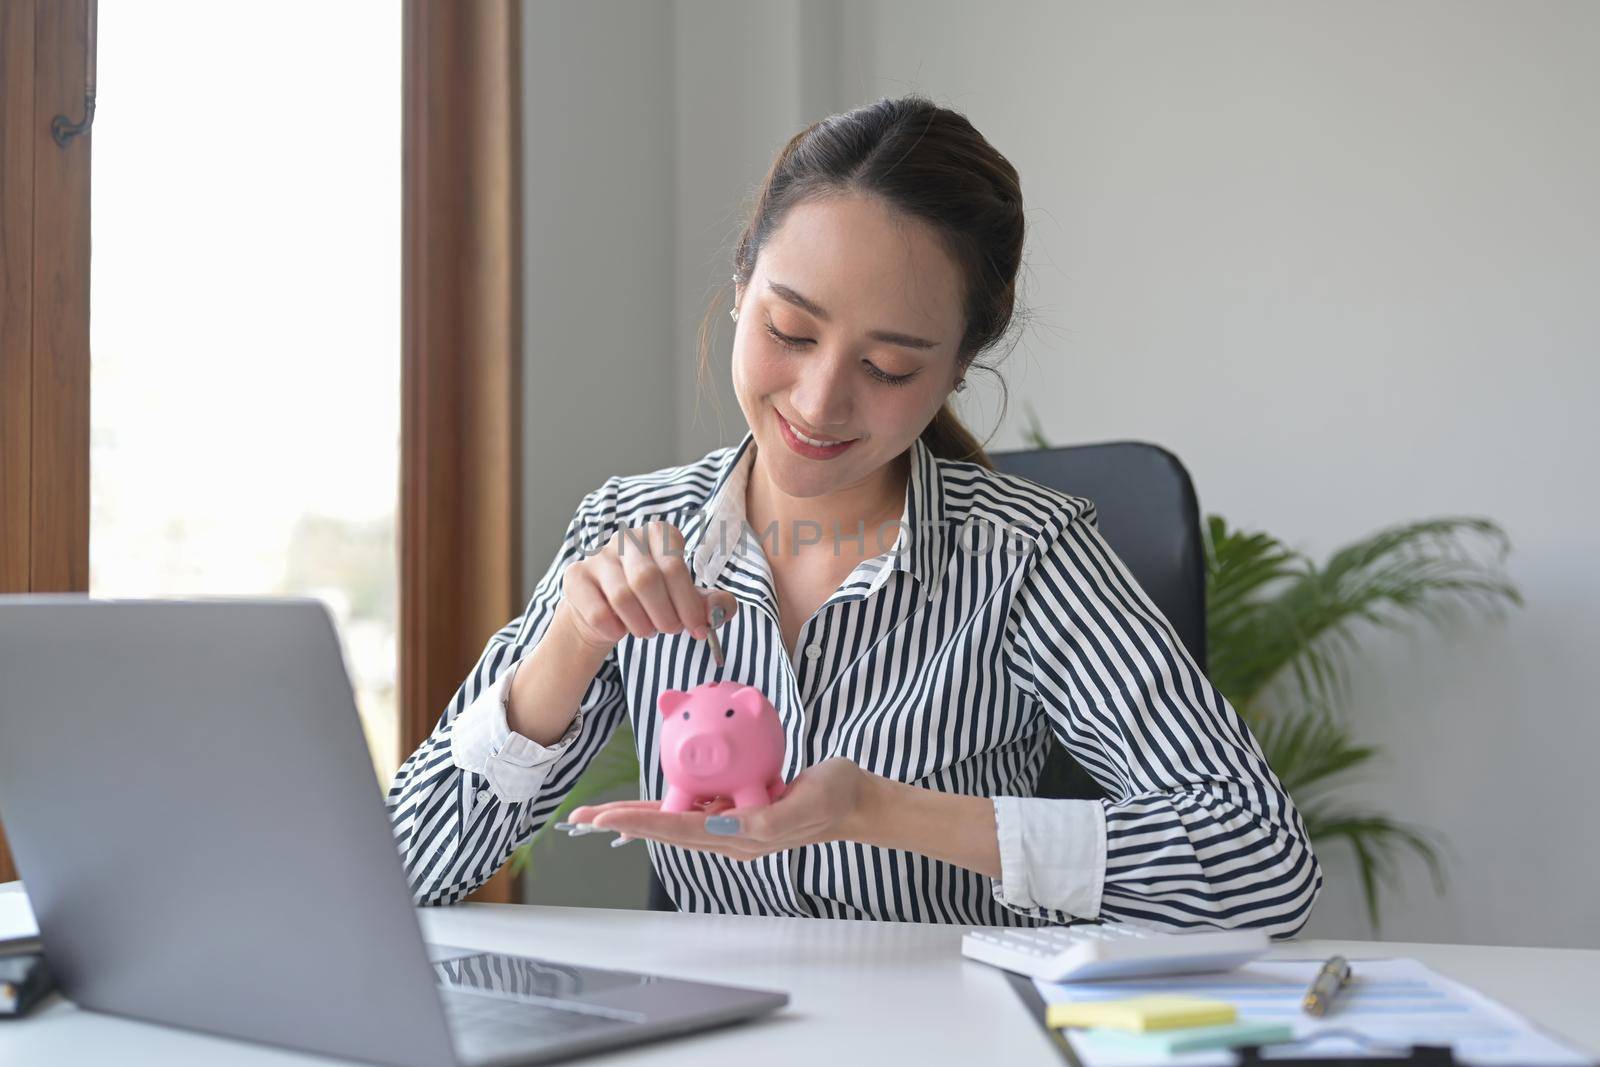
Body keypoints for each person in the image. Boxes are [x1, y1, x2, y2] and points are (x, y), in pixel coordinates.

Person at [387, 95, 1322, 934]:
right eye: (788, 333)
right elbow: (402, 867)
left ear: (958, 366)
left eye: (890, 367)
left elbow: (1262, 865)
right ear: (742, 284)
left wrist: (877, 809)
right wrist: (569, 648)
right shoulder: (631, 526)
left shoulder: (1025, 558)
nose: (819, 401)